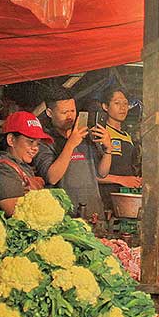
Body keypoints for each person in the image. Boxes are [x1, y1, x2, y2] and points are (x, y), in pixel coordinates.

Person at [33, 88, 113, 220]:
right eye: (64, 112)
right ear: (49, 113)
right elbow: (52, 178)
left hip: (94, 213)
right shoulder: (45, 141)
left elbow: (102, 173)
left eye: (72, 111)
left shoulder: (86, 136)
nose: (70, 116)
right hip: (64, 217)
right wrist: (70, 144)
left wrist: (108, 149)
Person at [0, 111, 52, 216]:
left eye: (38, 143)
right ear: (11, 140)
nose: (35, 148)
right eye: (30, 141)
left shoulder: (20, 166)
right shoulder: (2, 168)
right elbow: (15, 212)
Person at [97, 87, 142, 210]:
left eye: (125, 103)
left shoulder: (127, 136)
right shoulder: (101, 133)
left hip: (125, 198)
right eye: (117, 103)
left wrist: (135, 180)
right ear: (105, 107)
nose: (123, 108)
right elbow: (91, 174)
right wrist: (121, 180)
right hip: (106, 198)